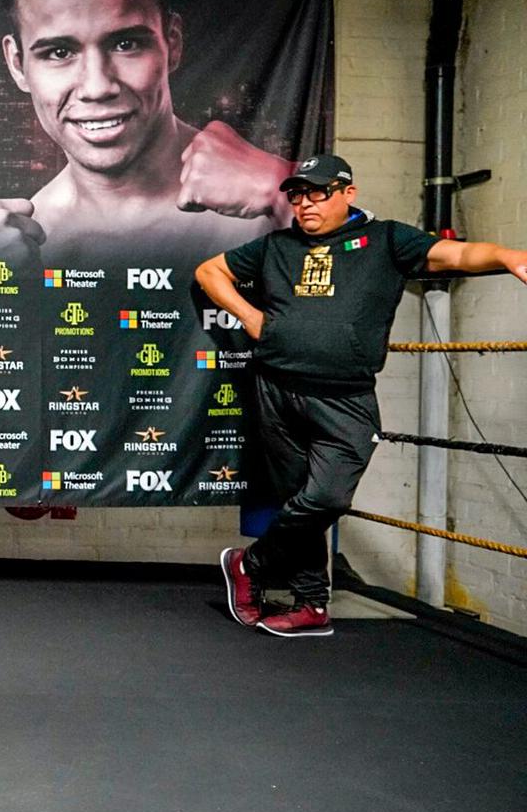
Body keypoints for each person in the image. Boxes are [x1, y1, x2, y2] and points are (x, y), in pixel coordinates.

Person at [195, 153, 527, 637]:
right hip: (277, 389)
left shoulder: (387, 240)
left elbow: (456, 256)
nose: (306, 203)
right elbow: (209, 272)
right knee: (297, 499)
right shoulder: (276, 247)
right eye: (298, 195)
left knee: (326, 497)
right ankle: (311, 604)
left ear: (347, 193)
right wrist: (251, 317)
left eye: (318, 192)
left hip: (345, 397)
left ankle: (250, 564)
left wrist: (508, 257)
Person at [0, 0, 298, 269]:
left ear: (172, 43)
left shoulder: (271, 203)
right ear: (17, 65)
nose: (97, 87)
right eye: (59, 52)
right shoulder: (12, 249)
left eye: (125, 44)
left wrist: (283, 196)